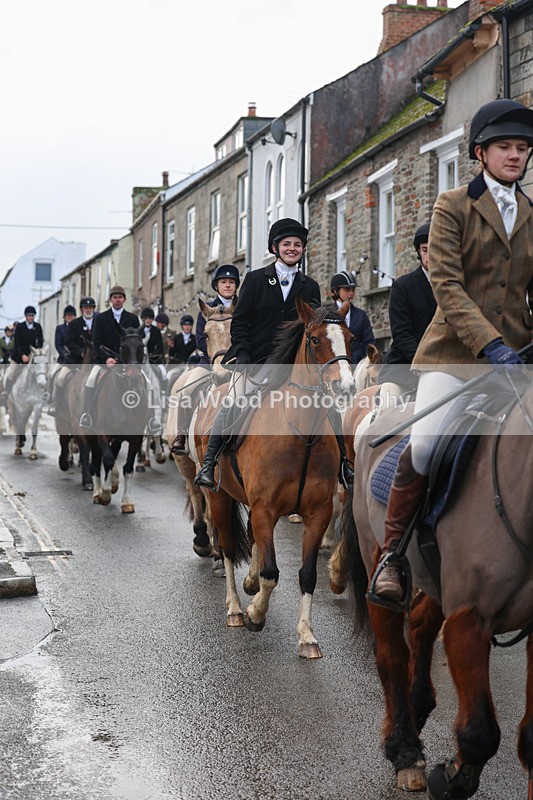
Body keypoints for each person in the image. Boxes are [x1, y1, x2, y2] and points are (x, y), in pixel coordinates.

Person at [373, 98, 533, 604]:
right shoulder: (453, 205)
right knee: (425, 445)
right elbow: (446, 285)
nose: (515, 155)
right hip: (454, 357)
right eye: (505, 147)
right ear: (480, 153)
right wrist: (490, 343)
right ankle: (393, 556)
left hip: (517, 359)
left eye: (522, 147)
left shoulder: (532, 213)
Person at [194, 217, 353, 489]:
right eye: (287, 244)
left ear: (303, 249)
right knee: (233, 400)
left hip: (295, 363)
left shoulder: (309, 285)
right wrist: (243, 355)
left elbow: (313, 327)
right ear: (275, 248)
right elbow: (240, 322)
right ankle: (209, 463)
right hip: (257, 360)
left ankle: (343, 465)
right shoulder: (256, 279)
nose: (292, 248)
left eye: (297, 245)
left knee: (329, 404)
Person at [170, 263, 240, 455]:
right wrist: (217, 357)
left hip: (236, 362)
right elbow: (201, 340)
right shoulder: (206, 309)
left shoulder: (242, 307)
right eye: (223, 282)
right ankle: (182, 435)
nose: (228, 285)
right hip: (209, 363)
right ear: (216, 286)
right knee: (187, 389)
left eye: (231, 282)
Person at [378, 222, 437, 399]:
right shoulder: (403, 286)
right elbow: (401, 334)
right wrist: (426, 362)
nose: (430, 255)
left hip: (447, 365)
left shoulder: (455, 284)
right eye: (425, 250)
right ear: (419, 252)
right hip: (405, 367)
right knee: (389, 401)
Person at [79, 285, 140, 428]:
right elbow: (96, 341)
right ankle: (87, 414)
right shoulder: (101, 318)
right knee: (90, 380)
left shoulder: (133, 319)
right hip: (105, 361)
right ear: (110, 300)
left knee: (147, 382)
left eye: (120, 297)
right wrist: (106, 358)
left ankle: (150, 417)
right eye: (115, 297)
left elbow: (136, 343)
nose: (117, 300)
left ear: (124, 299)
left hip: (128, 363)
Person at [47, 297, 97, 416]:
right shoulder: (74, 324)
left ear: (93, 309)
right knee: (60, 377)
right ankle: (56, 404)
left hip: (95, 360)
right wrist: (80, 352)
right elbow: (69, 342)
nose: (88, 310)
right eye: (86, 308)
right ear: (81, 309)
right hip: (76, 359)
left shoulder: (100, 322)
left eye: (90, 308)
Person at [328, 271, 375, 364]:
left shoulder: (361, 315)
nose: (351, 293)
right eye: (347, 290)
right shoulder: (328, 315)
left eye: (353, 290)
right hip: (336, 366)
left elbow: (369, 343)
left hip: (358, 366)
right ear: (336, 291)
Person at [1, 306, 44, 404]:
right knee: (11, 373)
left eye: (32, 316)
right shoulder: (20, 327)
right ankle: (6, 393)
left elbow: (40, 341)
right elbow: (17, 344)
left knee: (41, 372)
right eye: (29, 316)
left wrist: (37, 351)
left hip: (32, 355)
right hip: (18, 356)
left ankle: (43, 393)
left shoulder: (38, 327)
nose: (31, 317)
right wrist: (22, 355)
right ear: (25, 316)